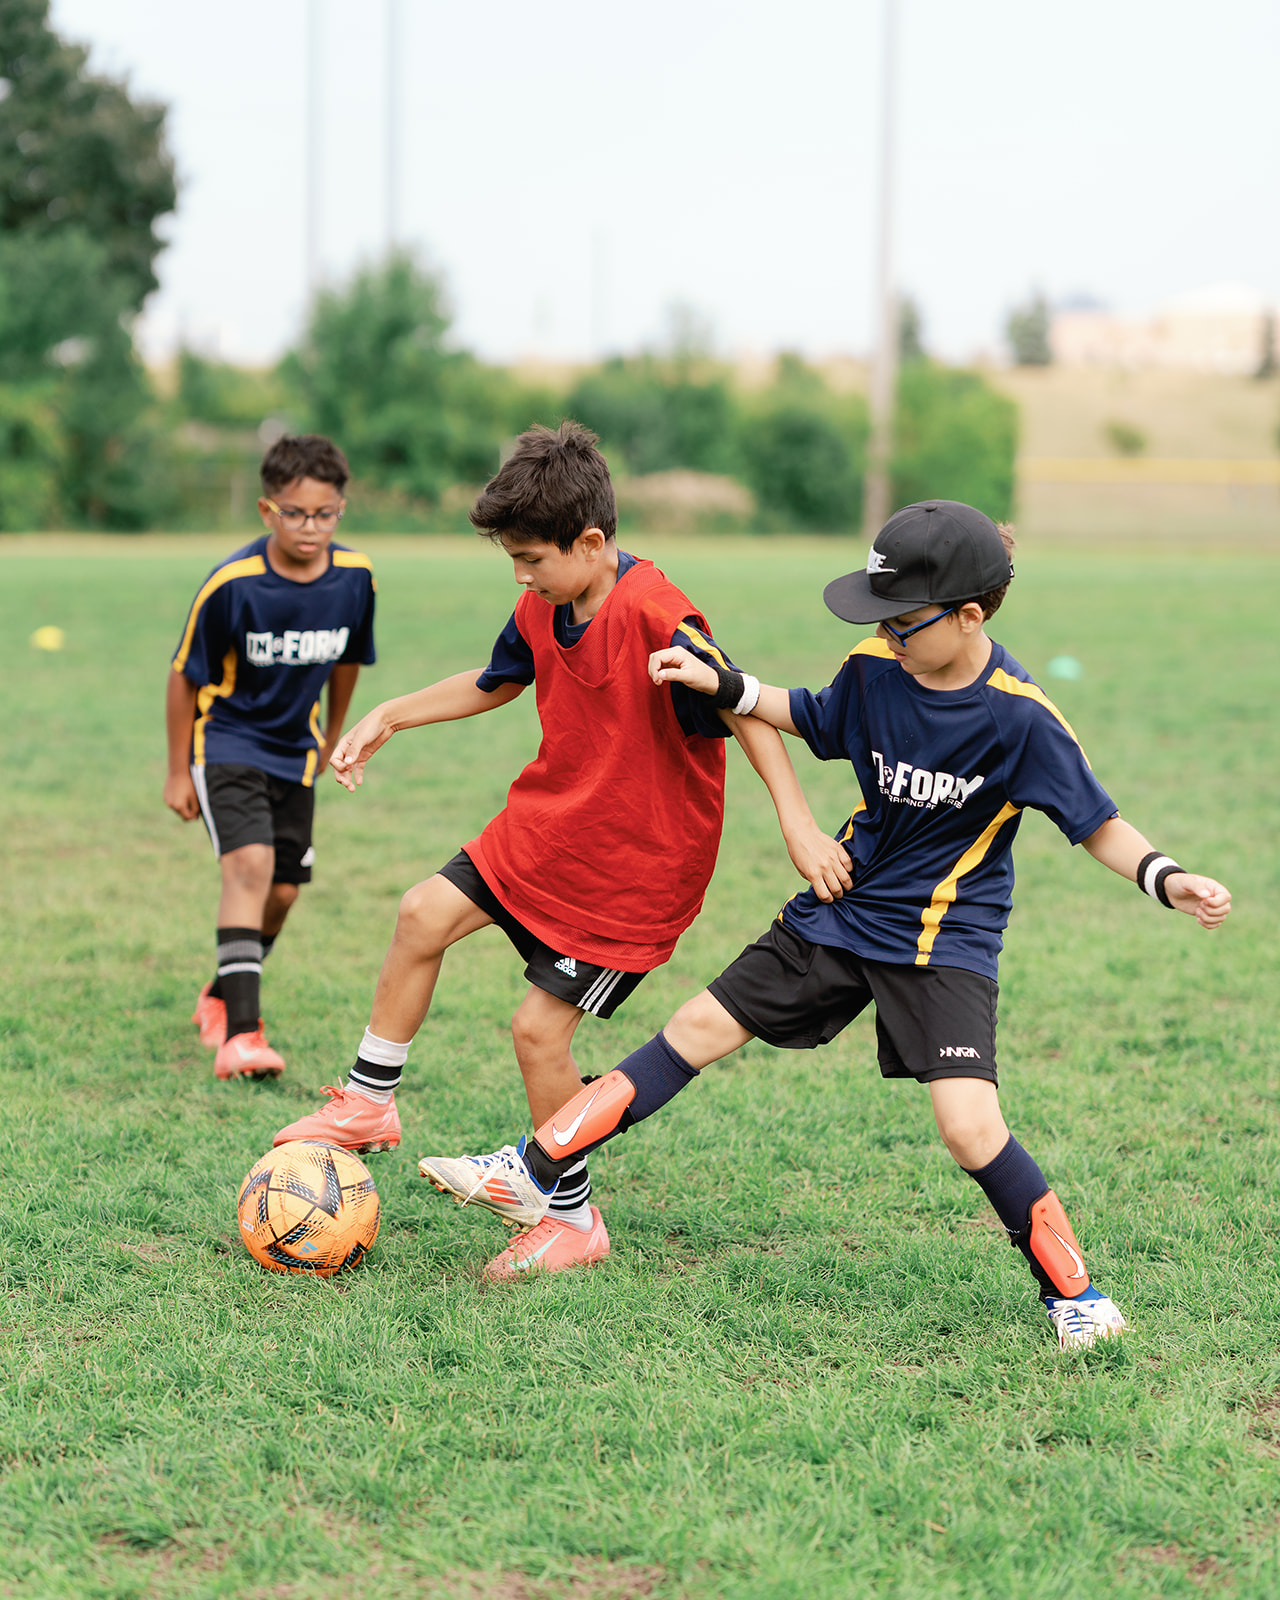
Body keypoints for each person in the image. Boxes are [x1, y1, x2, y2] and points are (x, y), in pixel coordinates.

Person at [425, 499, 1232, 1347]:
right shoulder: (877, 666)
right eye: (879, 623)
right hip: (843, 907)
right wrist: (727, 685)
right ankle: (534, 1163)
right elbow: (812, 714)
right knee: (695, 1027)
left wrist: (1165, 878)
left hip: (941, 940)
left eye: (903, 624)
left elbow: (1096, 823)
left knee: (969, 1128)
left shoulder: (1020, 717)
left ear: (968, 616)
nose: (886, 638)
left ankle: (1076, 1295)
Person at [273, 420, 845, 1279]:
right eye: (513, 561)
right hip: (550, 827)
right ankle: (367, 1103)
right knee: (421, 912)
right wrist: (391, 712)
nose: (521, 576)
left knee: (538, 1031)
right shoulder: (546, 601)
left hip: (633, 868)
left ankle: (572, 1219)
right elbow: (498, 679)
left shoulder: (659, 613)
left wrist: (797, 824)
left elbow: (743, 709)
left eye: (532, 559)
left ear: (589, 541)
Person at [165, 434, 376, 1080]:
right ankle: (243, 1036)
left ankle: (220, 995)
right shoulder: (234, 583)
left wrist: (333, 732)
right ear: (267, 511)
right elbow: (183, 675)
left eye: (324, 513)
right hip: (226, 739)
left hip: (295, 749)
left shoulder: (355, 578)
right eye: (294, 513)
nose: (309, 528)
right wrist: (178, 770)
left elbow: (347, 660)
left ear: (341, 509)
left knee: (282, 892)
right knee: (250, 868)